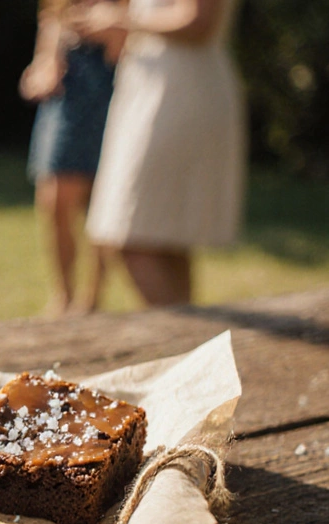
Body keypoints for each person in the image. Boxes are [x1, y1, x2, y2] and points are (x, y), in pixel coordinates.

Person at [71, 0, 246, 307]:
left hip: (178, 95)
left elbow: (198, 23)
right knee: (164, 239)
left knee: (131, 236)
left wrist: (122, 19)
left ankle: (182, 343)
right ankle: (192, 343)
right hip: (157, 92)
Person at [20, 0, 121, 316]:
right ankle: (63, 295)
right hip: (63, 107)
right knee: (53, 199)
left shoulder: (123, 7)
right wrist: (39, 76)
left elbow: (126, 53)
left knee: (101, 203)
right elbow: (37, 71)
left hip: (108, 100)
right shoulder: (58, 8)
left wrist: (110, 29)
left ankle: (91, 299)